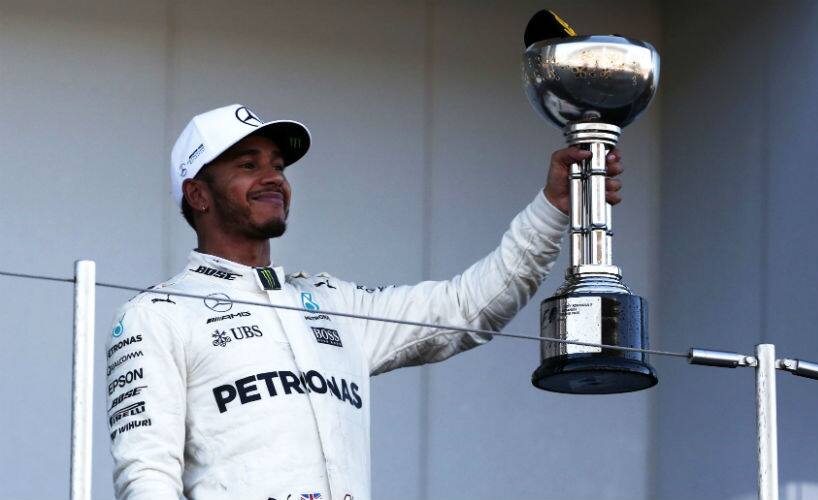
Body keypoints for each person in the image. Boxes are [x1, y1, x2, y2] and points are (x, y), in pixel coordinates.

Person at [105, 104, 623, 500]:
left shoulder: (331, 301)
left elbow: (469, 308)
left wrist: (554, 207)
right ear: (198, 195)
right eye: (248, 164)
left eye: (278, 165)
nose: (274, 178)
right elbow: (146, 476)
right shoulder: (157, 314)